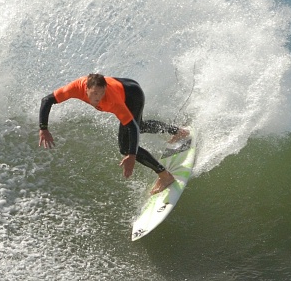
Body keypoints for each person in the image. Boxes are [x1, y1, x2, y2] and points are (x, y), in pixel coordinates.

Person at [38, 73, 189, 194]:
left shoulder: (112, 101)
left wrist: (131, 155)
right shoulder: (75, 88)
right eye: (95, 94)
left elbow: (132, 128)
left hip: (132, 97)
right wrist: (43, 128)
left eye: (102, 94)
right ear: (86, 88)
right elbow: (47, 100)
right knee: (140, 125)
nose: (99, 99)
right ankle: (178, 131)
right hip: (127, 85)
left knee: (125, 146)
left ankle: (164, 175)